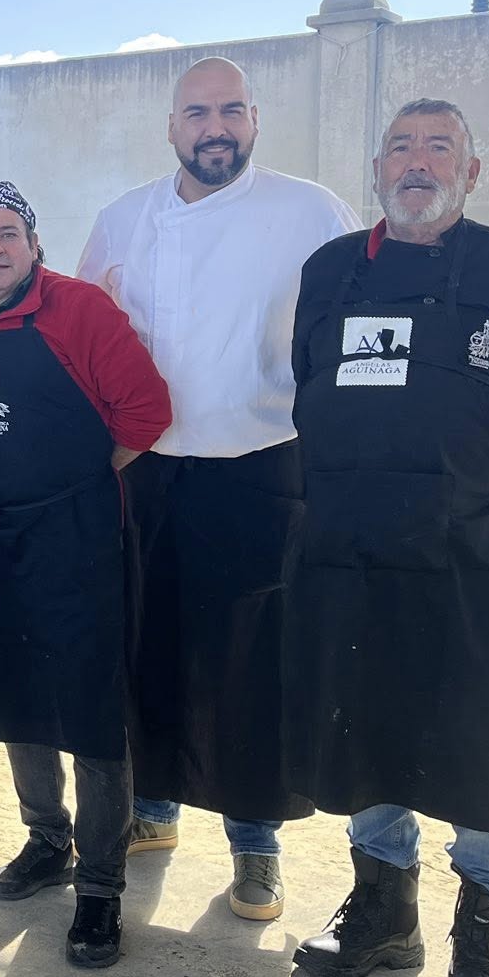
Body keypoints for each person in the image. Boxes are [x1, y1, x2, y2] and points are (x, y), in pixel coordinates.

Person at [284, 98, 489, 977]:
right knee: (360, 722)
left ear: (472, 170)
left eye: (440, 148)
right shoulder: (332, 270)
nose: (419, 164)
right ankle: (384, 910)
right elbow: (309, 386)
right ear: (376, 171)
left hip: (469, 557)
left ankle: (484, 929)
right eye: (402, 148)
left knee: (483, 741)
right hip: (349, 553)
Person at [78, 55, 361, 921]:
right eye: (198, 112)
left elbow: (351, 335)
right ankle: (154, 812)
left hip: (264, 463)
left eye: (231, 110)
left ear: (254, 120)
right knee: (149, 642)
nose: (215, 127)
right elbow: (81, 335)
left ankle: (255, 844)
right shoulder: (123, 220)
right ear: (171, 127)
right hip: (149, 469)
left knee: (252, 659)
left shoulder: (311, 212)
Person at [0, 182, 172, 968]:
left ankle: (103, 888)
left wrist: (76, 482)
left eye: (9, 232)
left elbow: (146, 412)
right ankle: (48, 841)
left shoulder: (80, 311)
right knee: (16, 697)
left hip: (79, 541)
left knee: (91, 712)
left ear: (34, 244)